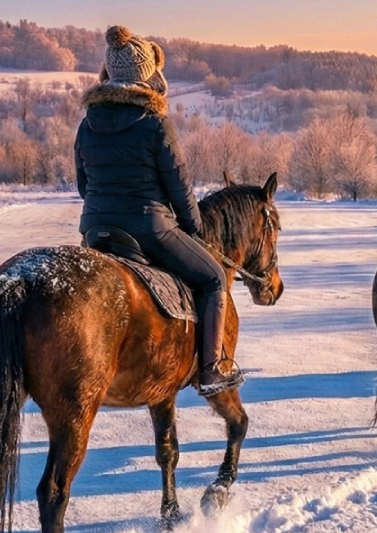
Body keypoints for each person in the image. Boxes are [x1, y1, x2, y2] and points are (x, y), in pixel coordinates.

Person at [74, 25, 244, 396]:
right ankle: (213, 369)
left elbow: (83, 184)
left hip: (95, 228)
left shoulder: (88, 123)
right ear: (148, 75)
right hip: (149, 228)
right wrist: (194, 229)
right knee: (214, 278)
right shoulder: (154, 123)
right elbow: (179, 186)